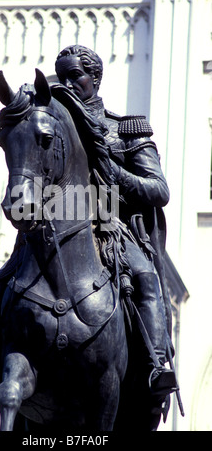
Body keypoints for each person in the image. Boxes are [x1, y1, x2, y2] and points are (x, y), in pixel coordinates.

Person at [53, 45, 177, 402]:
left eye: (75, 75)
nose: (68, 83)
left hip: (113, 226)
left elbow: (159, 190)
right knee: (7, 278)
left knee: (146, 280)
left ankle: (155, 366)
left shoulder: (125, 129)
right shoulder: (53, 128)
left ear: (94, 78)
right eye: (62, 77)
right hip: (60, 224)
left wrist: (116, 173)